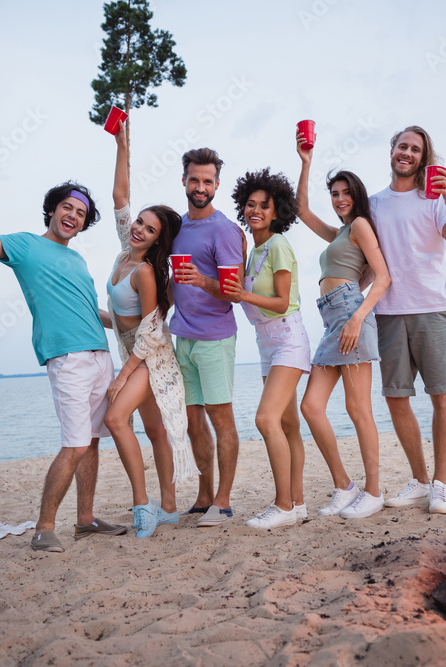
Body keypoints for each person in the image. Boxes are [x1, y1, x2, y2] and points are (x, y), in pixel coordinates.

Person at [0, 138, 126, 553]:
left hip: (100, 356)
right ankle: (43, 528)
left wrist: (136, 323)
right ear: (53, 209)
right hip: (67, 360)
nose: (73, 216)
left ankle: (86, 520)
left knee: (91, 442)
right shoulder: (24, 245)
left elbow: (94, 314)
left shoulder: (77, 261)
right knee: (74, 444)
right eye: (68, 208)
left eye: (81, 214)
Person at [103, 122, 198, 538]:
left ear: (158, 241)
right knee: (154, 429)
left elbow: (149, 332)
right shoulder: (126, 251)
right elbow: (120, 197)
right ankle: (171, 508)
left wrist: (124, 374)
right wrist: (122, 144)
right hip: (131, 351)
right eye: (139, 222)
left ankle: (143, 506)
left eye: (148, 229)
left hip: (150, 356)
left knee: (115, 418)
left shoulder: (144, 272)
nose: (138, 228)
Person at [370, 125, 446, 515]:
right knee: (396, 399)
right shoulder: (374, 204)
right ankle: (420, 480)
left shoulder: (435, 200)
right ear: (392, 150)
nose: (407, 153)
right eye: (402, 146)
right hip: (389, 311)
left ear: (423, 158)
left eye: (415, 149)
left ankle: (441, 485)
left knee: (440, 395)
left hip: (432, 307)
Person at [295, 131, 392, 519]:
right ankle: (344, 485)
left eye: (344, 192)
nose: (339, 199)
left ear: (356, 195)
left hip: (351, 315)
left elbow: (382, 277)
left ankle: (373, 491)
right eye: (334, 194)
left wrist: (356, 317)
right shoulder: (338, 232)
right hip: (330, 319)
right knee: (311, 406)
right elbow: (301, 210)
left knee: (358, 409)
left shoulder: (360, 227)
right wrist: (305, 161)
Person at [221, 168, 311, 529]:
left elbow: (282, 301)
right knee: (288, 424)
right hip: (266, 342)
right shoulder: (254, 249)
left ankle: (283, 504)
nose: (255, 210)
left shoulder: (278, 245)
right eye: (250, 204)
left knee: (265, 419)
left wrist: (243, 294)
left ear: (277, 212)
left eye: (264, 206)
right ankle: (299, 503)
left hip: (288, 337)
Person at [170, 147, 245, 527]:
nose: (201, 187)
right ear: (184, 180)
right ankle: (203, 495)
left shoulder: (225, 230)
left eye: (208, 181)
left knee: (221, 418)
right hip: (182, 337)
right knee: (192, 421)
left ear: (217, 185)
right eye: (194, 179)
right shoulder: (177, 226)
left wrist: (200, 279)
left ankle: (224, 500)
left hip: (215, 338)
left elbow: (233, 291)